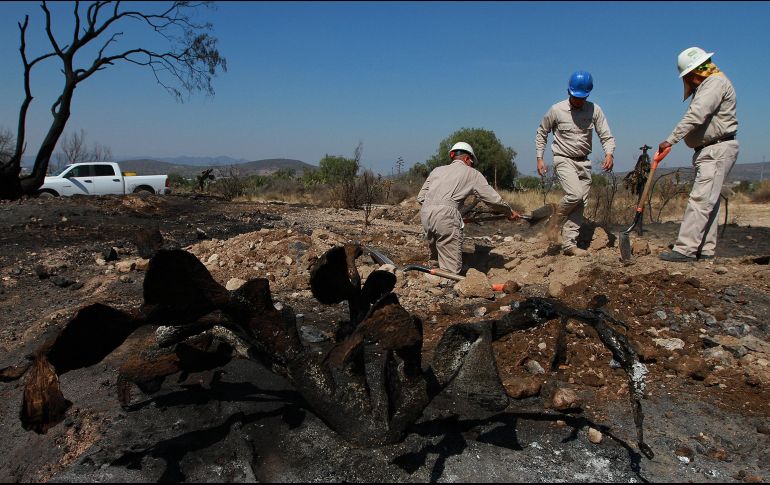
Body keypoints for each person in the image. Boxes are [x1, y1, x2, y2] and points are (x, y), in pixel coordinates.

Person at [657, 47, 739, 262]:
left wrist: (670, 140)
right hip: (711, 149)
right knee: (709, 202)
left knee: (701, 199)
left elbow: (696, 114)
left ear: (693, 73)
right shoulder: (711, 83)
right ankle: (705, 250)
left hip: (716, 149)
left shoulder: (714, 83)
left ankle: (685, 249)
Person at [535, 70, 616, 256]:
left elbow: (606, 135)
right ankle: (555, 220)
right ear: (568, 92)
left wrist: (609, 153)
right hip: (563, 159)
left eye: (582, 97)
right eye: (575, 96)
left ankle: (569, 244)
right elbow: (542, 132)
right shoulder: (556, 110)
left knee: (581, 204)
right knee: (575, 195)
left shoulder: (595, 110)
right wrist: (540, 157)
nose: (578, 100)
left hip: (584, 162)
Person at [417, 142, 520, 275]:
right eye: (471, 161)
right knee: (450, 269)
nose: (471, 164)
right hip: (445, 215)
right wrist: (509, 211)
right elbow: (493, 200)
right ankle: (444, 286)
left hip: (425, 214)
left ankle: (430, 282)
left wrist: (442, 210)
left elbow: (420, 197)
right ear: (467, 158)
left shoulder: (437, 170)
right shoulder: (472, 173)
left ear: (453, 155)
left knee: (435, 256)